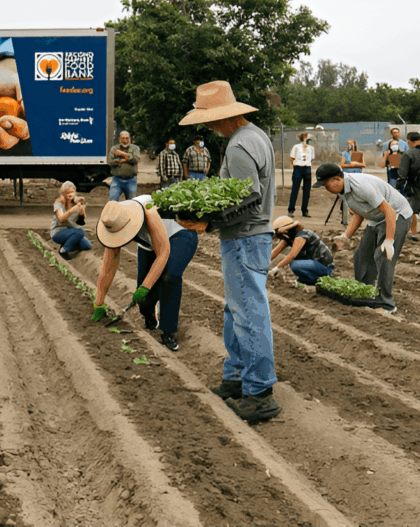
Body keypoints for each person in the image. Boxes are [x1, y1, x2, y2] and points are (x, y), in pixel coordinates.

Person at [178, 80, 280, 424]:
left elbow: (248, 198)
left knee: (248, 312)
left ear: (222, 117)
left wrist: (207, 224)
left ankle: (259, 393)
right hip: (252, 238)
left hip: (245, 238)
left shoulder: (238, 146)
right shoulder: (256, 135)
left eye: (207, 119)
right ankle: (236, 378)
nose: (205, 126)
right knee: (236, 310)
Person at [92, 197, 198, 351]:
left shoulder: (148, 210)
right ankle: (150, 318)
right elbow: (108, 268)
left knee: (169, 277)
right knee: (144, 296)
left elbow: (163, 253)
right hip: (148, 242)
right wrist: (99, 303)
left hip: (179, 236)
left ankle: (168, 330)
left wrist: (146, 287)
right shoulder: (113, 220)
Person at [314, 163, 413, 313]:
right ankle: (365, 293)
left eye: (326, 185)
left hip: (397, 215)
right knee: (361, 256)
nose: (326, 189)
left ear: (337, 179)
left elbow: (390, 212)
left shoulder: (361, 186)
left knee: (383, 256)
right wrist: (345, 236)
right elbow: (359, 214)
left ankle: (386, 303)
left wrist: (389, 241)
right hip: (376, 219)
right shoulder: (343, 190)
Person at [268, 216, 334, 286]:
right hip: (313, 263)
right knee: (294, 259)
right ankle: (306, 280)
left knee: (294, 264)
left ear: (285, 231)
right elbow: (275, 251)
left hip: (324, 266)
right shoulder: (289, 238)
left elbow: (292, 255)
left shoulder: (302, 236)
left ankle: (316, 280)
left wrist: (276, 269)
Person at [50, 181, 92, 260]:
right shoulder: (58, 203)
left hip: (71, 231)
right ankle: (64, 250)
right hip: (58, 232)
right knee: (81, 232)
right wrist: (72, 210)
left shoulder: (76, 201)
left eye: (72, 192)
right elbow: (61, 219)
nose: (70, 194)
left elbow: (81, 222)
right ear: (63, 193)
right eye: (67, 192)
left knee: (87, 245)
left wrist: (82, 212)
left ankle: (67, 244)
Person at [397, 132, 420, 241]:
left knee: (412, 210)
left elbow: (402, 174)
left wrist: (398, 187)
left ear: (409, 141)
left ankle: (414, 233)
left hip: (415, 187)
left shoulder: (408, 154)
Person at [339, 139, 366, 226]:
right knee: (347, 194)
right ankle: (345, 216)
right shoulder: (345, 154)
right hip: (347, 175)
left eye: (351, 144)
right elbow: (342, 164)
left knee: (357, 194)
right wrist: (352, 164)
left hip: (357, 175)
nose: (350, 146)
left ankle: (357, 215)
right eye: (348, 144)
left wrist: (356, 164)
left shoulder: (359, 154)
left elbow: (363, 164)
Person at [287, 132, 315, 218]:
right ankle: (291, 210)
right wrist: (296, 165)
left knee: (307, 190)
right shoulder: (296, 147)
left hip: (307, 168)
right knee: (295, 189)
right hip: (298, 168)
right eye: (306, 137)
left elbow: (312, 158)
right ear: (303, 138)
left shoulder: (311, 148)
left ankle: (304, 210)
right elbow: (292, 157)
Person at [107, 131, 140, 201]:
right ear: (119, 139)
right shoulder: (114, 149)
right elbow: (110, 162)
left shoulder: (135, 148)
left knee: (132, 203)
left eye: (127, 138)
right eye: (123, 138)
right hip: (117, 180)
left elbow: (136, 159)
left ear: (129, 139)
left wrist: (123, 154)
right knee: (112, 201)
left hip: (131, 180)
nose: (125, 141)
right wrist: (125, 159)